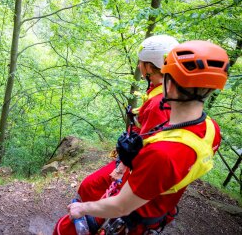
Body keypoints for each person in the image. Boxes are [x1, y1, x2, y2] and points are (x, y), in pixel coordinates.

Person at [62, 40, 229, 235]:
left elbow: (121, 206)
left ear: (171, 85)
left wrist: (82, 209)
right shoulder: (211, 129)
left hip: (133, 215)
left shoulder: (162, 153)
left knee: (64, 228)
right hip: (157, 208)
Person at [78, 35, 179, 204]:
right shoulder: (165, 90)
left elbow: (148, 143)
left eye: (141, 62)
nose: (139, 65)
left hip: (136, 162)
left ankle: (85, 219)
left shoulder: (158, 104)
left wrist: (121, 168)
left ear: (148, 66)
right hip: (137, 157)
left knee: (88, 186)